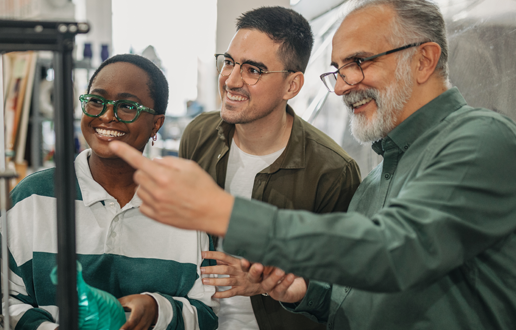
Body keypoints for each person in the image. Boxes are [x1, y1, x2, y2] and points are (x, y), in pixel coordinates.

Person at [108, 0, 516, 329]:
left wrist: (222, 211)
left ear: (424, 60)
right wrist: (302, 290)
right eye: (337, 70)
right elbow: (356, 291)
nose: (341, 85)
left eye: (358, 62)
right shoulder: (379, 178)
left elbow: (396, 250)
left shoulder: (481, 139)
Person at [0, 54, 218, 330]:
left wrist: (157, 311)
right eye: (97, 101)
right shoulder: (33, 198)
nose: (107, 116)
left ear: (156, 124)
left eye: (127, 106)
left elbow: (210, 311)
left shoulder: (186, 206)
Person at [179, 6, 360, 330]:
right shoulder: (199, 135)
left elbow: (341, 293)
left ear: (292, 86)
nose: (231, 80)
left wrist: (267, 280)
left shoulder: (332, 171)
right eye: (230, 62)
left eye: (253, 70)